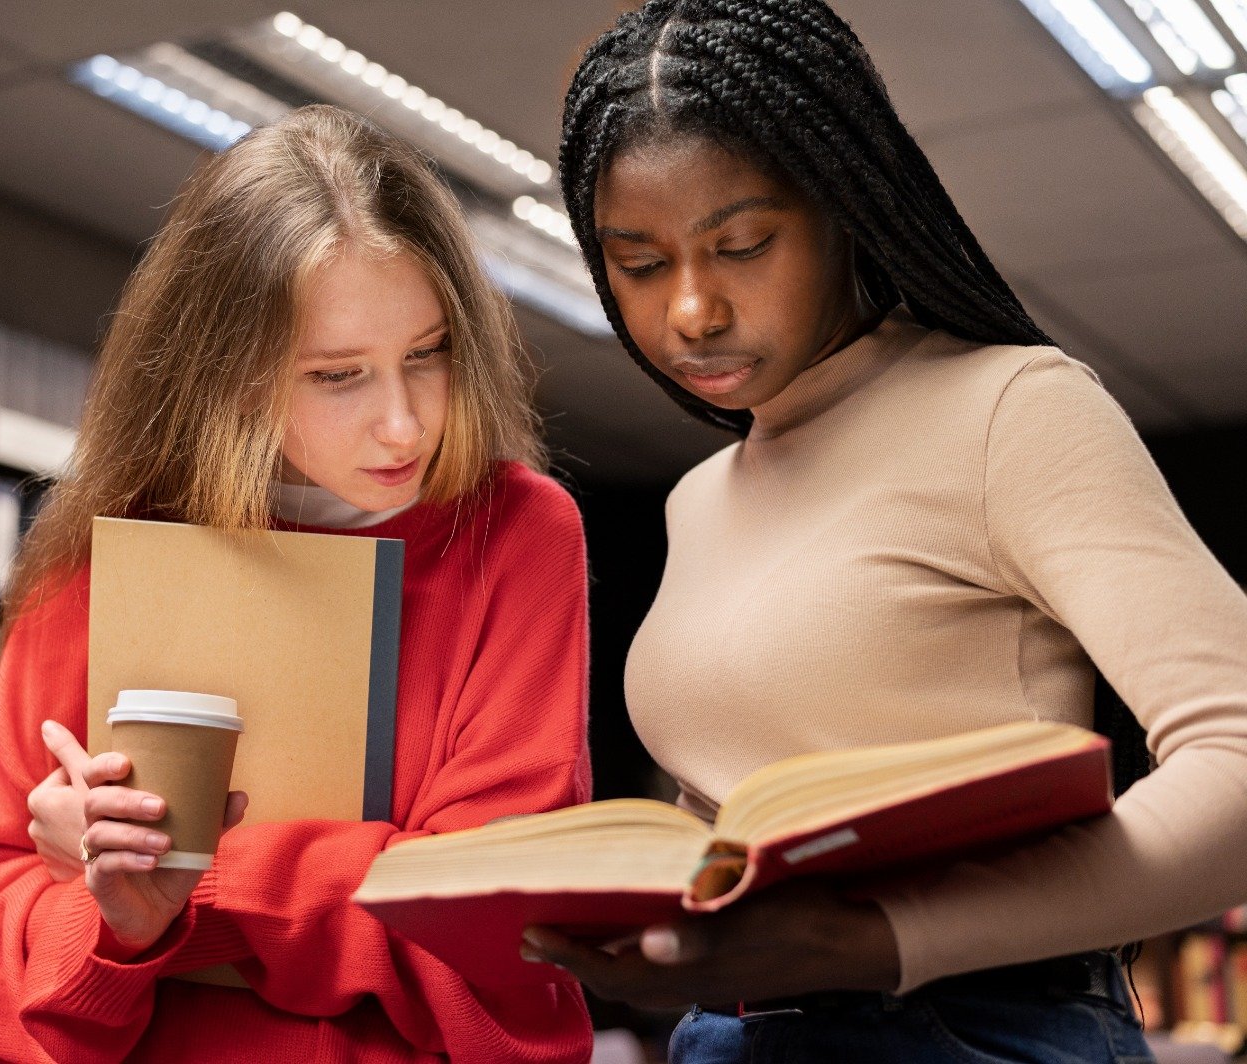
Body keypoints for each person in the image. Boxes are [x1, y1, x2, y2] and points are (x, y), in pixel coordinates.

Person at [520, 1, 1247, 1061]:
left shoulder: (1010, 408)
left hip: (966, 1027)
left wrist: (869, 939)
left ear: (846, 210)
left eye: (741, 246)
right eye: (638, 263)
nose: (691, 310)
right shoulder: (698, 498)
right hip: (726, 1034)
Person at [0, 104, 595, 1063]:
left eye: (427, 354)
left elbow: (498, 932)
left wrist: (186, 884)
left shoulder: (518, 534)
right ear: (231, 375)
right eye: (338, 376)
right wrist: (119, 920)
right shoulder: (100, 549)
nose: (405, 424)